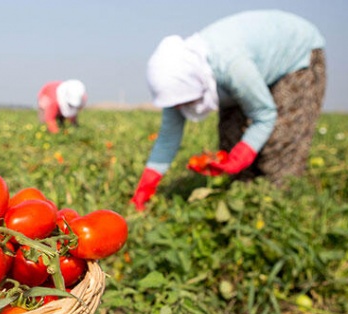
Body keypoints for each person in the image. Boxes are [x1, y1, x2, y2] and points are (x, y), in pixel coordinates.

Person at [130, 10, 326, 211]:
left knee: (281, 139)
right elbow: (167, 139)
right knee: (231, 135)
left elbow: (265, 115)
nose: (180, 109)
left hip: (296, 54)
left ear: (196, 85)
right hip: (251, 66)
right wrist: (146, 187)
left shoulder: (231, 66)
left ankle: (279, 208)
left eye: (184, 102)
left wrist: (243, 153)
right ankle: (245, 201)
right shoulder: (179, 83)